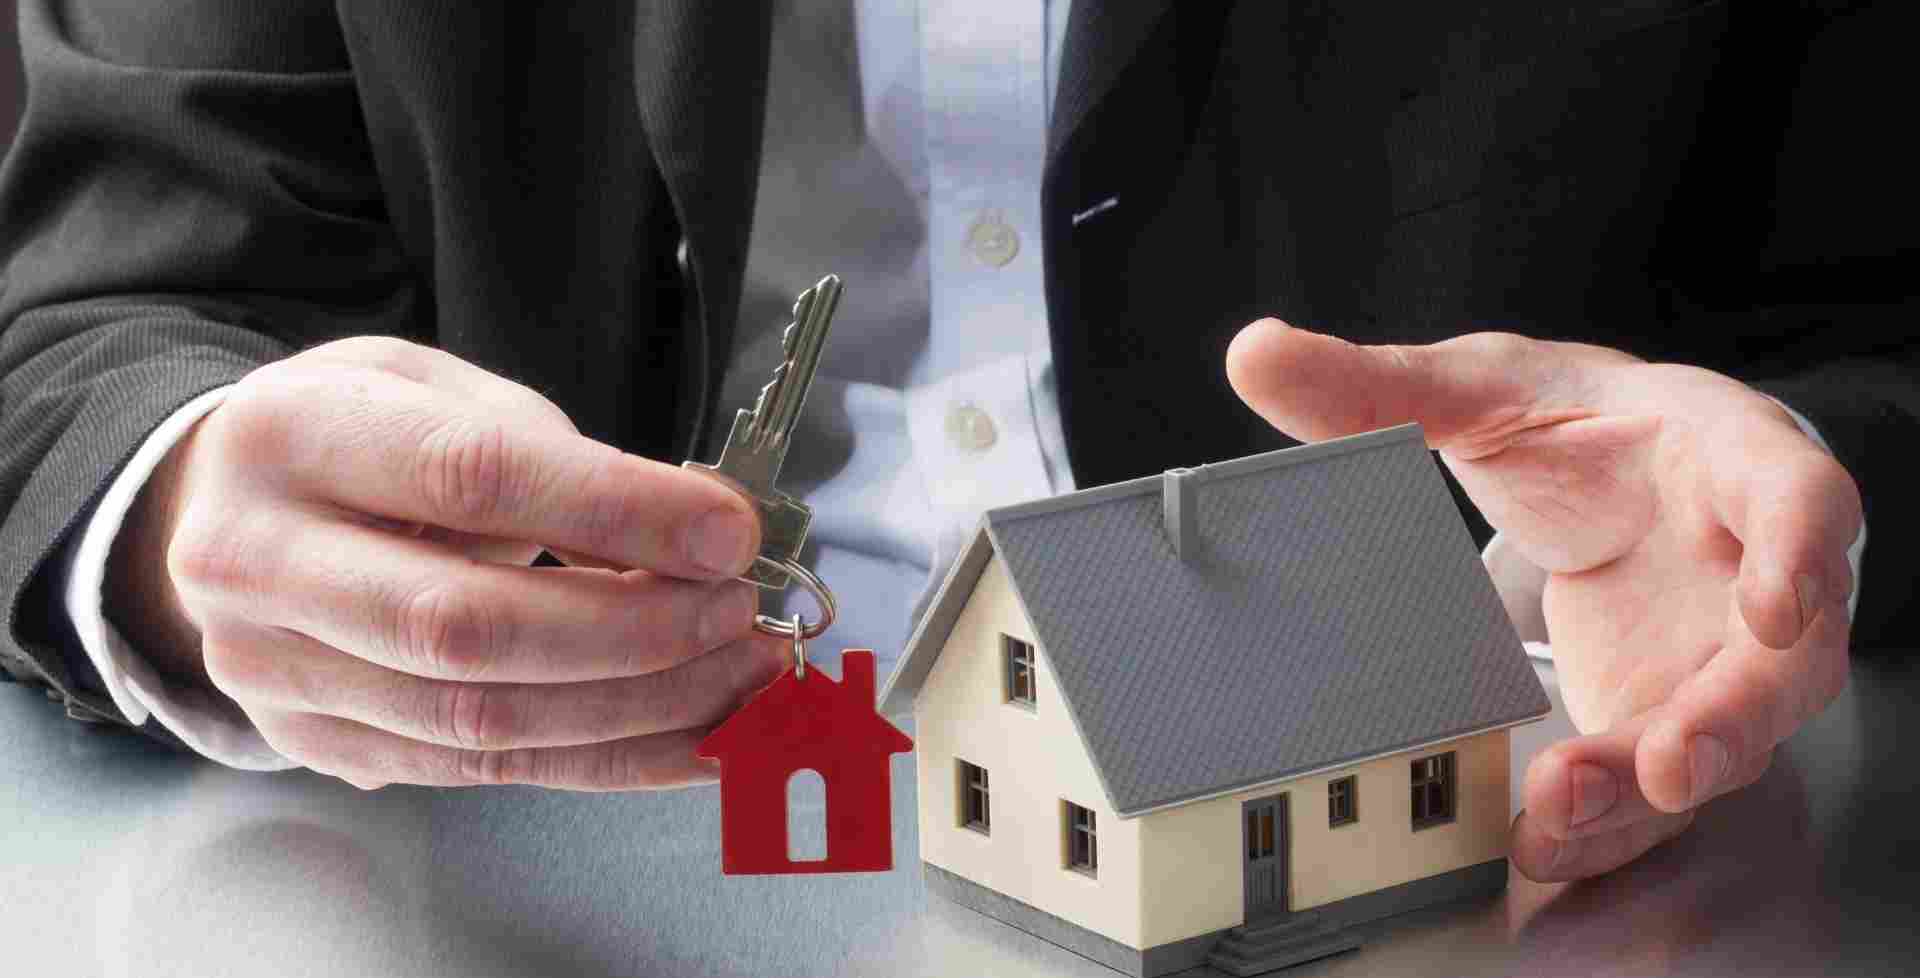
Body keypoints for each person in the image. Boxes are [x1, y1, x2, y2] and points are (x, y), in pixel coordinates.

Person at [0, 1, 1910, 888]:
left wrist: (1813, 487)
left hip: (1543, 869)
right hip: (460, 906)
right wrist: (179, 513)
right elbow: (86, 319)